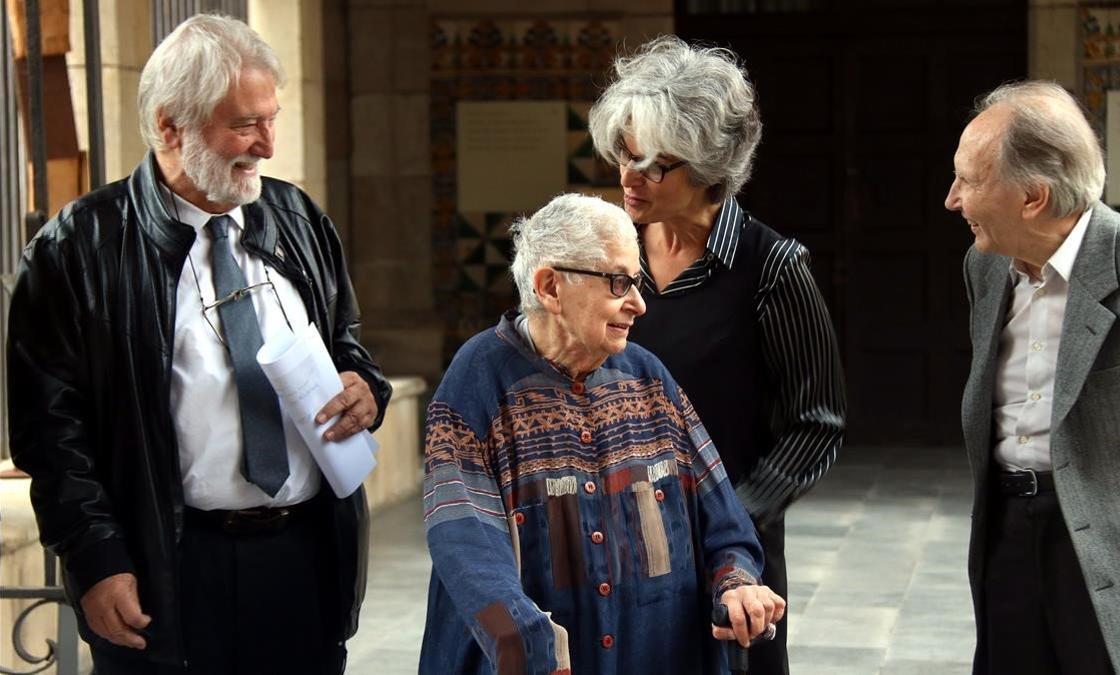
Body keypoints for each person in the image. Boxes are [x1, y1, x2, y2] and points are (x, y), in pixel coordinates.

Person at [7, 14, 390, 674]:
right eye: (245, 124)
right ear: (169, 126)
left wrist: (366, 389)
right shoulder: (77, 248)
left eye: (272, 118)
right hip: (169, 567)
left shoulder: (299, 218)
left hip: (303, 559)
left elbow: (346, 345)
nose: (268, 145)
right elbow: (51, 434)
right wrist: (97, 558)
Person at [419, 193, 785, 674]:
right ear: (550, 287)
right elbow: (464, 536)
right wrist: (524, 641)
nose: (638, 304)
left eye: (636, 282)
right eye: (618, 283)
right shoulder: (478, 380)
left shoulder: (649, 377)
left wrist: (737, 582)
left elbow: (725, 523)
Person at [587, 36, 846, 673]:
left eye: (655, 163)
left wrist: (732, 523)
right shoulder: (605, 254)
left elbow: (816, 425)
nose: (629, 175)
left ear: (707, 164)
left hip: (731, 562)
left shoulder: (772, 267)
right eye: (624, 152)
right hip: (614, 550)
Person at [947, 80, 1120, 674]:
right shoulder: (983, 268)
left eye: (969, 180)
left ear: (1033, 197)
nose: (952, 199)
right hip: (1008, 537)